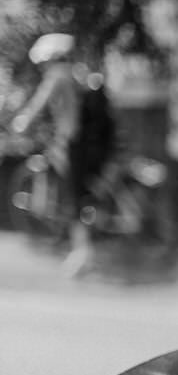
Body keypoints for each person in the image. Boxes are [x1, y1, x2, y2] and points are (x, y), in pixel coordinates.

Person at [11, 33, 113, 277]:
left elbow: (38, 104)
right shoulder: (80, 74)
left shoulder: (57, 76)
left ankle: (82, 254)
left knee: (74, 197)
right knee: (86, 192)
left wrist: (21, 123)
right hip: (93, 144)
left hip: (74, 143)